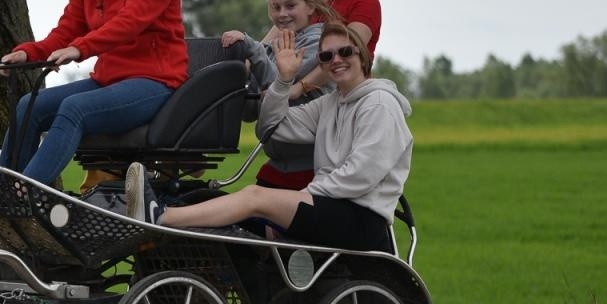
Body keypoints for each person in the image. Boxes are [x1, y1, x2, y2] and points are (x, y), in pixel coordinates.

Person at [132, 20, 411, 253]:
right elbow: (271, 128)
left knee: (256, 197)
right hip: (330, 206)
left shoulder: (380, 104)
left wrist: (301, 198)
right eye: (326, 56)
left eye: (345, 52)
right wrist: (284, 80)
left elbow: (361, 175)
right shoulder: (330, 104)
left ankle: (161, 216)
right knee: (214, 203)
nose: (336, 60)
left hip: (361, 218)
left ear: (363, 56)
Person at [0, 0, 187, 188]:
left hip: (154, 82)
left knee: (75, 108)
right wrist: (28, 53)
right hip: (107, 80)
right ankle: (5, 191)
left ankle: (26, 193)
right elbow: (67, 29)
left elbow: (130, 22)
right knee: (28, 106)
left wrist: (80, 48)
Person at [255, 0, 384, 192]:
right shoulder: (302, 2)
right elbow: (264, 46)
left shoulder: (365, 3)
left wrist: (297, 87)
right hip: (294, 107)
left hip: (335, 107)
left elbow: (341, 57)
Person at [219, 0, 339, 98]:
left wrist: (250, 46)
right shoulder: (276, 44)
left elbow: (278, 85)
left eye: (290, 6)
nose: (282, 14)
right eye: (276, 7)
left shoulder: (317, 43)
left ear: (310, 7)